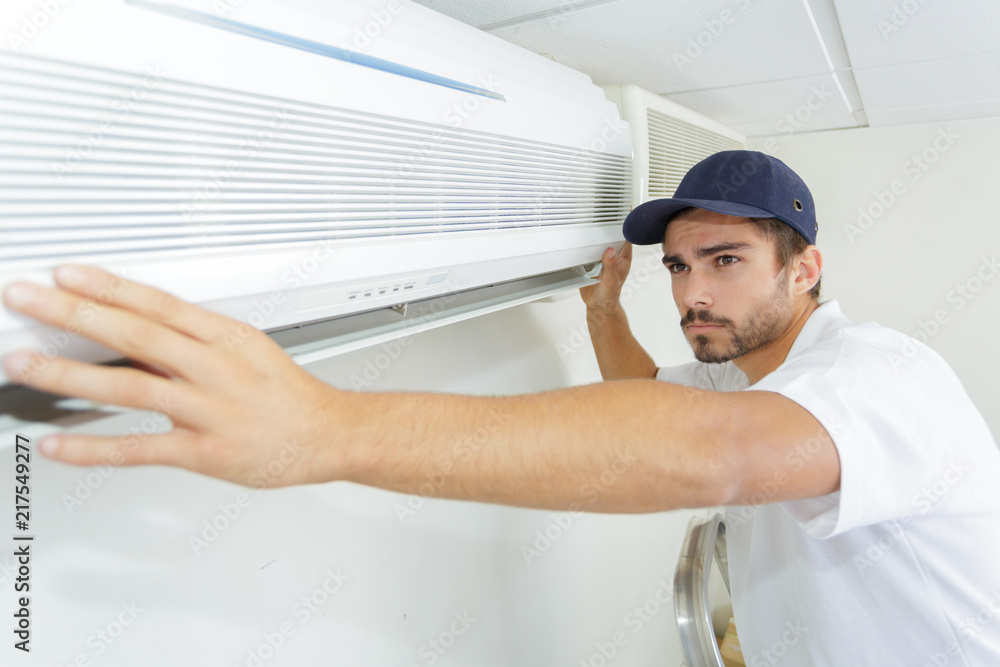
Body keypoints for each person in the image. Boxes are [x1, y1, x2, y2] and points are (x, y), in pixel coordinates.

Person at [2, 149, 998, 665]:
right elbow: (646, 401)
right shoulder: (746, 370)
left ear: (807, 267)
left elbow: (726, 452)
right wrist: (604, 305)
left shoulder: (883, 375)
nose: (694, 292)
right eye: (680, 265)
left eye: (728, 262)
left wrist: (324, 429)